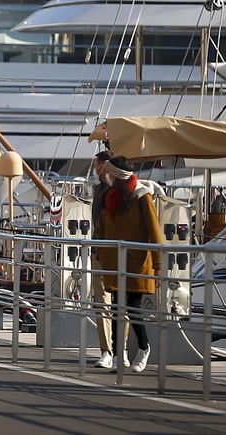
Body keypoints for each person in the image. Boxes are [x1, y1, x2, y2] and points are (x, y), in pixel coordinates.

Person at [95, 155, 164, 373]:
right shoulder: (110, 197)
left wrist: (158, 265)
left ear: (118, 176)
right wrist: (97, 249)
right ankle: (118, 356)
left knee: (133, 309)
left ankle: (143, 348)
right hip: (114, 261)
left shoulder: (143, 197)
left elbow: (155, 233)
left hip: (136, 262)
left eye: (111, 174)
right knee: (116, 308)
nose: (108, 178)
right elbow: (102, 227)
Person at [89, 150, 128, 369]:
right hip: (99, 252)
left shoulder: (122, 191)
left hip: (120, 254)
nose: (96, 170)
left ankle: (121, 351)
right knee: (101, 302)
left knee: (122, 303)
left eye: (99, 166)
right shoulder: (97, 190)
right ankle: (106, 351)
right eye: (96, 166)